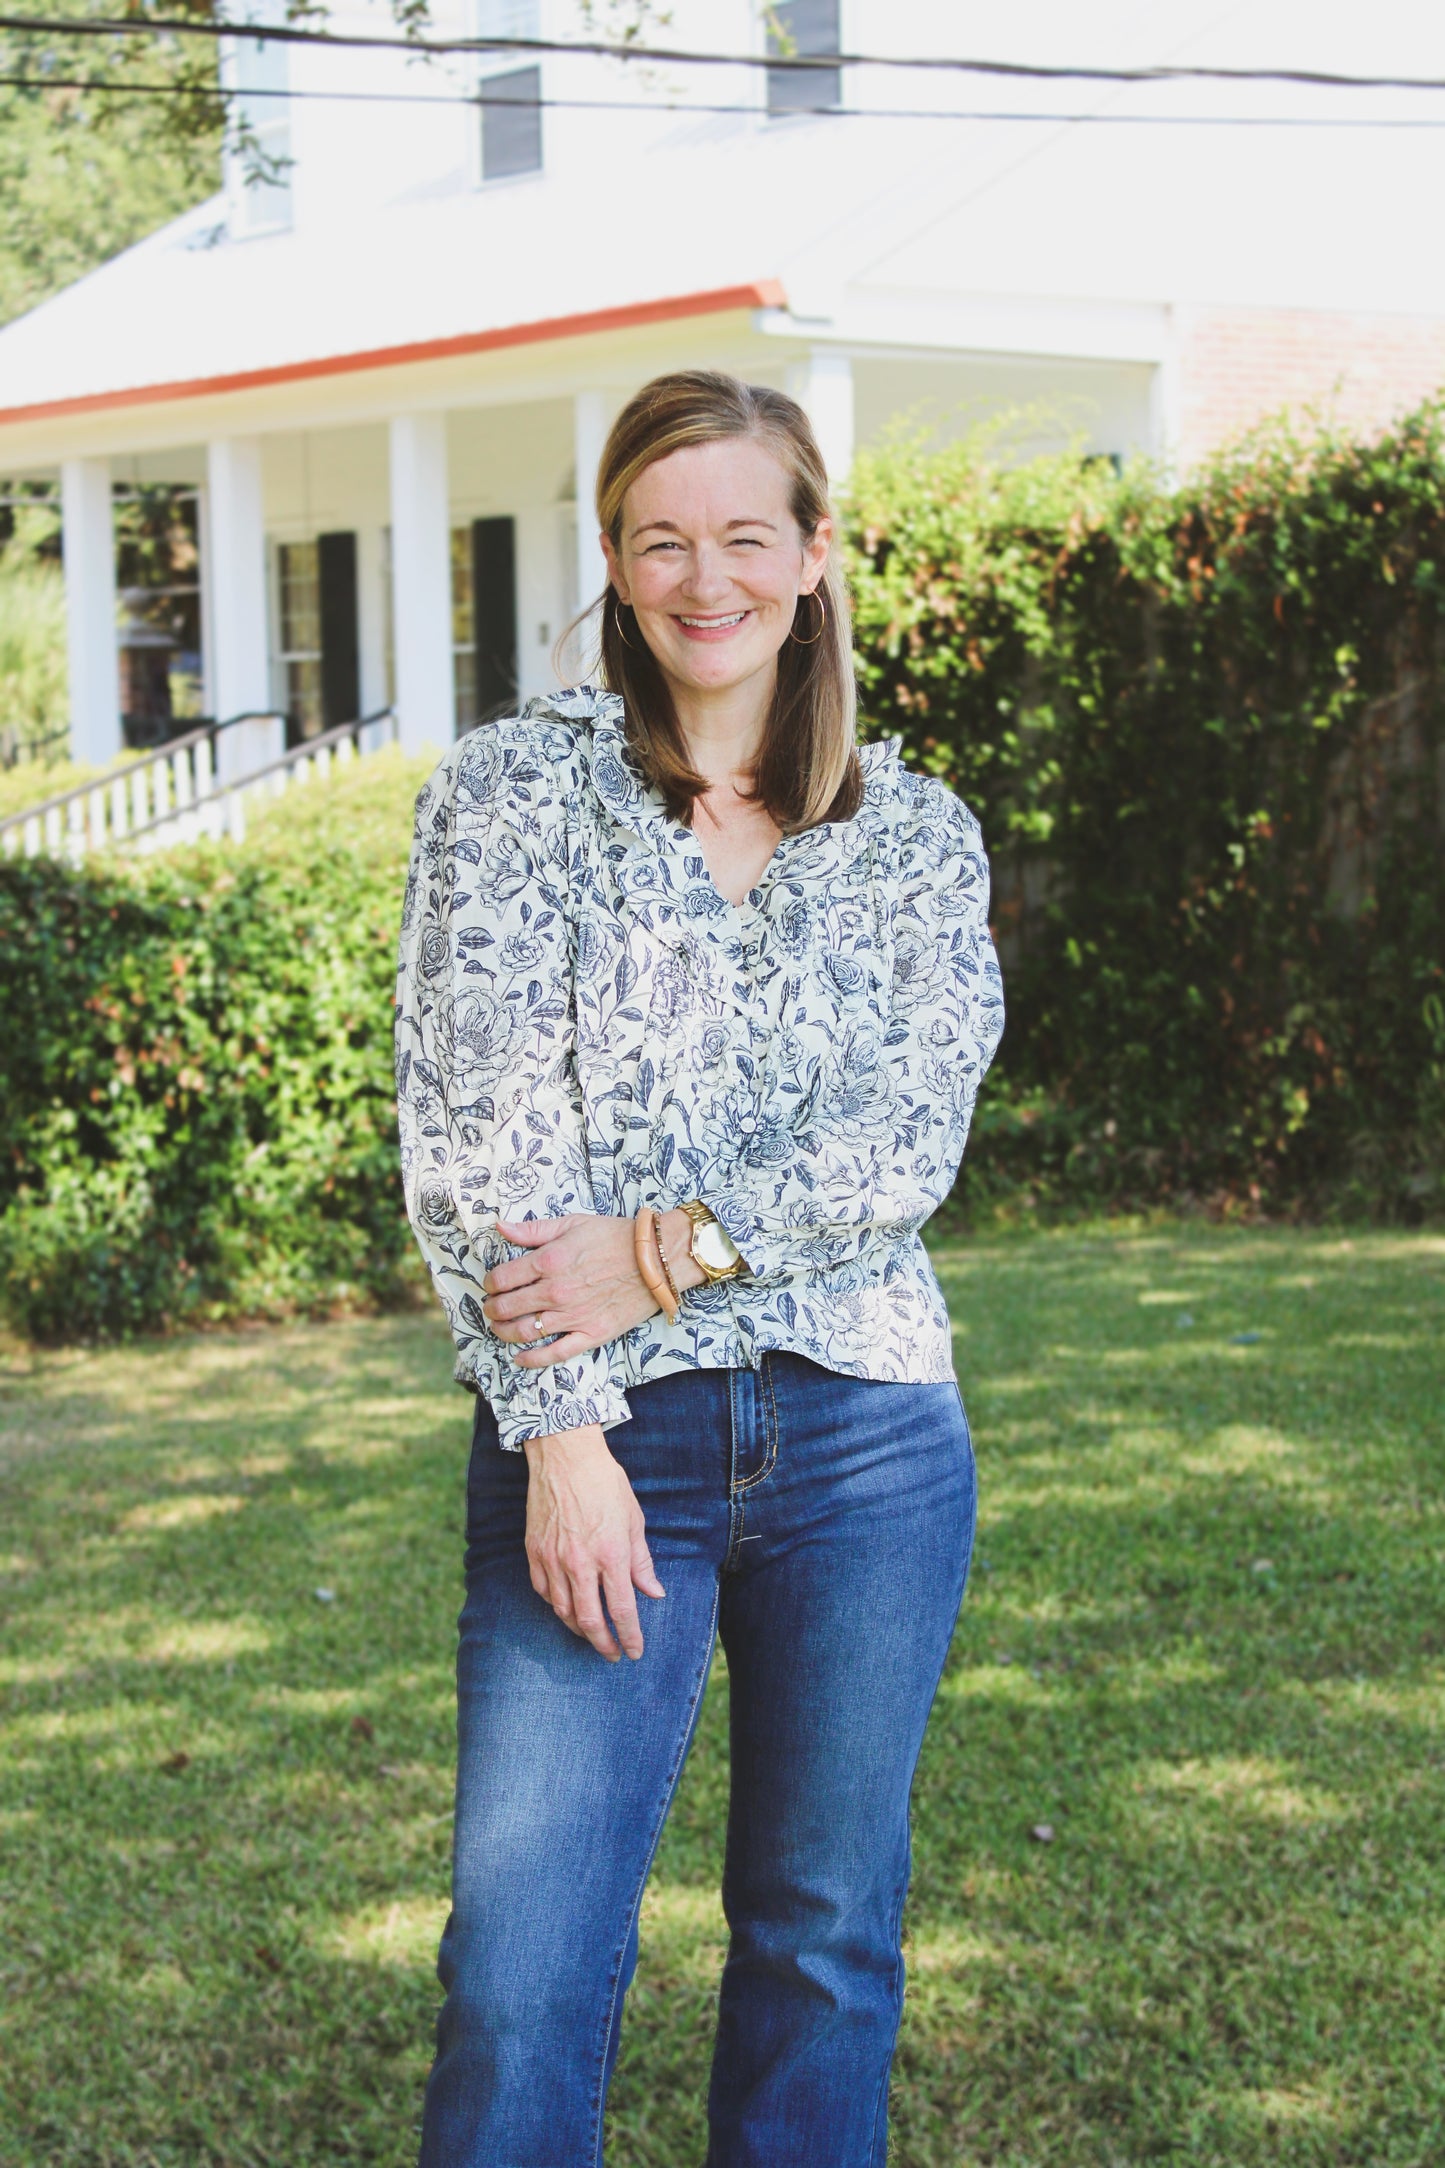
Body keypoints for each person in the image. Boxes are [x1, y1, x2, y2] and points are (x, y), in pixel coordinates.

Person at [395, 368, 1004, 2167]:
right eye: (659, 539)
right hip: (600, 1444)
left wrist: (660, 1251)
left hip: (871, 1443)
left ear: (814, 557)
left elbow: (903, 1139)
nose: (702, 575)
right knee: (524, 1961)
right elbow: (475, 1141)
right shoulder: (513, 799)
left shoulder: (914, 833)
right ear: (612, 561)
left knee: (822, 1944)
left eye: (745, 533)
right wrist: (560, 1436)